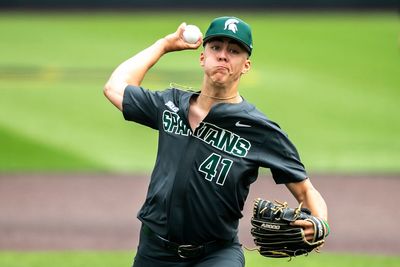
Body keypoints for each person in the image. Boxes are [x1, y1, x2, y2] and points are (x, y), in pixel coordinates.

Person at [104, 16, 328, 267]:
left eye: (234, 51)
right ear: (203, 57)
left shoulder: (260, 130)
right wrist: (163, 45)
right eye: (215, 48)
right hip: (154, 252)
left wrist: (320, 223)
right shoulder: (170, 105)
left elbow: (306, 190)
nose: (223, 56)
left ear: (246, 66)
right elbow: (114, 88)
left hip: (216, 255)